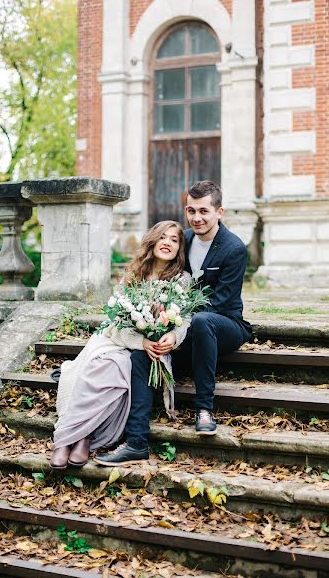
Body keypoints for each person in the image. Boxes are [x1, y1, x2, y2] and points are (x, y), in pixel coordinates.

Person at [95, 180, 252, 467]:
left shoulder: (233, 249)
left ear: (220, 212)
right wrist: (157, 331)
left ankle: (204, 409)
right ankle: (137, 442)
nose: (197, 217)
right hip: (180, 327)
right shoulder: (185, 239)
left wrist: (175, 330)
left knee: (204, 320)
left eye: (204, 211)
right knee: (142, 355)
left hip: (224, 324)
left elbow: (220, 303)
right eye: (191, 210)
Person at [50, 220, 189, 470]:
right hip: (118, 339)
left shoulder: (182, 279)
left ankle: (85, 436)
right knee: (99, 363)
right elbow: (116, 321)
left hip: (151, 349)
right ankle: (69, 437)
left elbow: (185, 318)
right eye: (163, 237)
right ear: (153, 241)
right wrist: (140, 340)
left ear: (179, 249)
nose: (167, 242)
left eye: (174, 240)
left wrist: (174, 336)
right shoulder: (133, 275)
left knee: (117, 367)